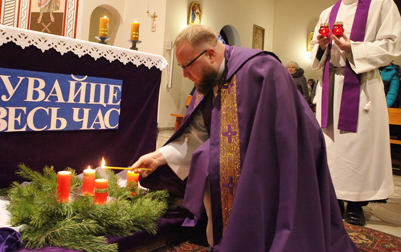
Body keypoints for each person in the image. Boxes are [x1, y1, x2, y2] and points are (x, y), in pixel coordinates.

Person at [132, 24, 358, 251]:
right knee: (207, 161)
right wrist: (159, 156)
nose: (184, 74)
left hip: (279, 162)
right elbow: (197, 135)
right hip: (243, 164)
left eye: (186, 66)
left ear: (210, 54)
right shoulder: (208, 79)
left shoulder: (262, 69)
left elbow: (283, 136)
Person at [310, 0, 401, 226]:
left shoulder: (382, 4)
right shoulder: (327, 12)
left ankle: (357, 204)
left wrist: (355, 48)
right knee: (331, 146)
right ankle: (333, 199)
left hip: (361, 86)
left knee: (358, 147)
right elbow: (315, 50)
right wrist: (322, 46)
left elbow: (392, 46)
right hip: (330, 88)